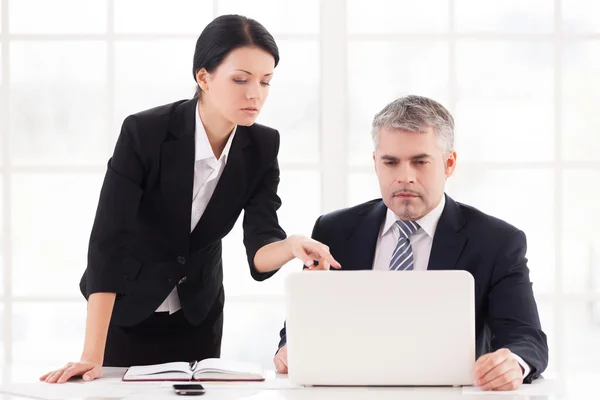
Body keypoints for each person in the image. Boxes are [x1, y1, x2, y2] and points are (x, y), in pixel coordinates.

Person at [40, 14, 339, 384]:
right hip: (126, 310)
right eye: (241, 79)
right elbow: (108, 241)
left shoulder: (262, 146)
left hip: (198, 316)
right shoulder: (144, 133)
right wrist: (91, 354)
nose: (254, 94)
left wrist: (292, 245)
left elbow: (261, 248)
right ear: (203, 77)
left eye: (266, 82)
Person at [273, 95, 548, 391]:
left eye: (420, 162)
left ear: (449, 163)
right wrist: (291, 349)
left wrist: (513, 363)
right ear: (376, 164)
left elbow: (526, 337)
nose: (405, 178)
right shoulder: (335, 230)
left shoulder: (497, 242)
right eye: (391, 162)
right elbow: (303, 325)